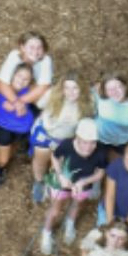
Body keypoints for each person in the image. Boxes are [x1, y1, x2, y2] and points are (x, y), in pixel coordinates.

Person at [40, 118, 109, 254]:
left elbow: (101, 173)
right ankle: (46, 234)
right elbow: (55, 157)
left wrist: (84, 182)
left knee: (77, 204)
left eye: (93, 143)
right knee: (55, 209)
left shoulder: (100, 152)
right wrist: (60, 175)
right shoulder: (67, 145)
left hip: (83, 183)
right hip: (63, 180)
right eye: (84, 142)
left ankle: (70, 225)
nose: (88, 147)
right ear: (77, 138)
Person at [0, 64, 45, 187]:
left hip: (23, 128)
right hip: (3, 127)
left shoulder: (30, 90)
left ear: (30, 81)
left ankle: (2, 168)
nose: (21, 80)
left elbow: (46, 92)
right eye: (19, 76)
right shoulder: (2, 86)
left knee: (14, 147)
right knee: (3, 157)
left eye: (26, 79)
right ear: (12, 75)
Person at [29, 76, 86, 205]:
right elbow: (39, 104)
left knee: (58, 165)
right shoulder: (53, 94)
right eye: (67, 87)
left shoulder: (86, 105)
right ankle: (39, 182)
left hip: (65, 140)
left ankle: (52, 181)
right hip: (46, 134)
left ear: (82, 89)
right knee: (40, 162)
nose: (70, 92)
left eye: (75, 88)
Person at [89, 74, 128, 155]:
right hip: (100, 137)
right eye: (110, 89)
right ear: (104, 91)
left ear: (125, 86)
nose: (115, 92)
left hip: (125, 139)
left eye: (118, 87)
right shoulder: (100, 96)